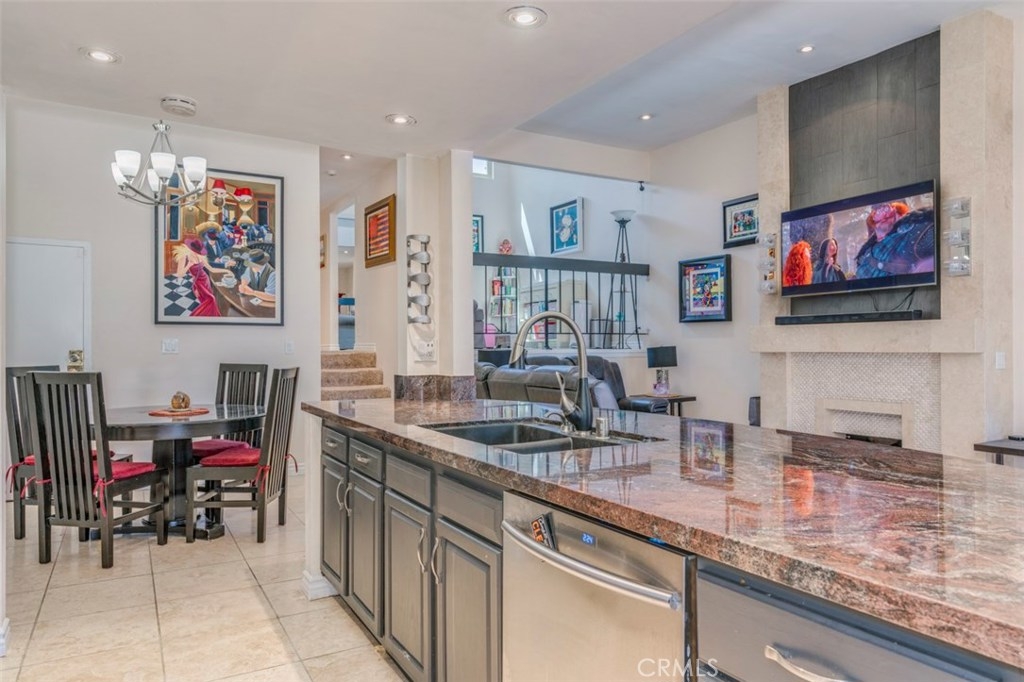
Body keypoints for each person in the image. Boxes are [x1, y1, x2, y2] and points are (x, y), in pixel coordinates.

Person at [855, 202, 934, 279]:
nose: (882, 212)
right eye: (877, 211)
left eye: (887, 209)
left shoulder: (914, 233)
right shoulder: (866, 253)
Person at [171, 239, 227, 317]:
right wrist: (188, 265)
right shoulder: (184, 257)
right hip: (198, 284)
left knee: (207, 302)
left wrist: (226, 271)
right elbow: (180, 274)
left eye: (198, 252)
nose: (196, 254)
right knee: (211, 299)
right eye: (195, 251)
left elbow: (211, 269)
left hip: (206, 281)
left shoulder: (201, 256)